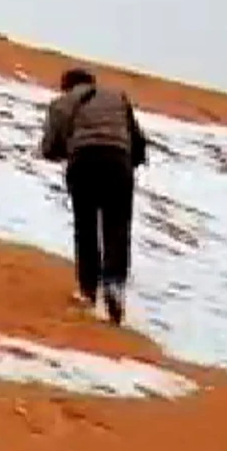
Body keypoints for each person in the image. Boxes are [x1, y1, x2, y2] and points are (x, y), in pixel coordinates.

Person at [38, 66, 149, 325]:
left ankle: (88, 291)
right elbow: (137, 140)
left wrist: (66, 151)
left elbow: (50, 147)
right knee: (117, 227)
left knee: (85, 227)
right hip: (118, 163)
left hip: (84, 163)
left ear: (67, 86)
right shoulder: (118, 97)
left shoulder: (61, 104)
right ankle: (114, 286)